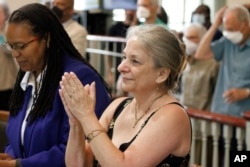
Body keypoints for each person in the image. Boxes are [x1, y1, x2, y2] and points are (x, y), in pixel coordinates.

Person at [60, 24, 192, 167]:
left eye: (135, 61)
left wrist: (87, 116)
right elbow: (76, 164)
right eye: (124, 57)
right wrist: (76, 122)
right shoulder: (118, 106)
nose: (121, 67)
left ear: (161, 74)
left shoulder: (173, 115)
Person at [0, 3, 110, 167]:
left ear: (47, 39)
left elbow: (80, 148)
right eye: (11, 46)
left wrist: (20, 164)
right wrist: (11, 156)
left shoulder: (77, 78)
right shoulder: (29, 75)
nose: (15, 53)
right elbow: (19, 133)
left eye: (21, 46)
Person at [195, 4, 250, 117]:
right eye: (226, 29)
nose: (228, 33)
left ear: (244, 25)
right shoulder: (227, 41)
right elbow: (200, 54)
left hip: (244, 117)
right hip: (221, 112)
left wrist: (246, 92)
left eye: (231, 29)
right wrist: (215, 25)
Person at [181, 23, 219, 111]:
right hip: (185, 114)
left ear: (203, 39)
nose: (187, 41)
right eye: (186, 38)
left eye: (192, 38)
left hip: (204, 118)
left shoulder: (213, 64)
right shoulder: (185, 62)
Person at [106, 9, 136, 97]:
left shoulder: (140, 28)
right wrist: (109, 72)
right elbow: (108, 52)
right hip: (116, 68)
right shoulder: (115, 28)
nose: (130, 12)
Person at [0, 2, 18, 111]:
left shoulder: (10, 30)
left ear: (6, 15)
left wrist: (2, 40)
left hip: (6, 84)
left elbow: (12, 50)